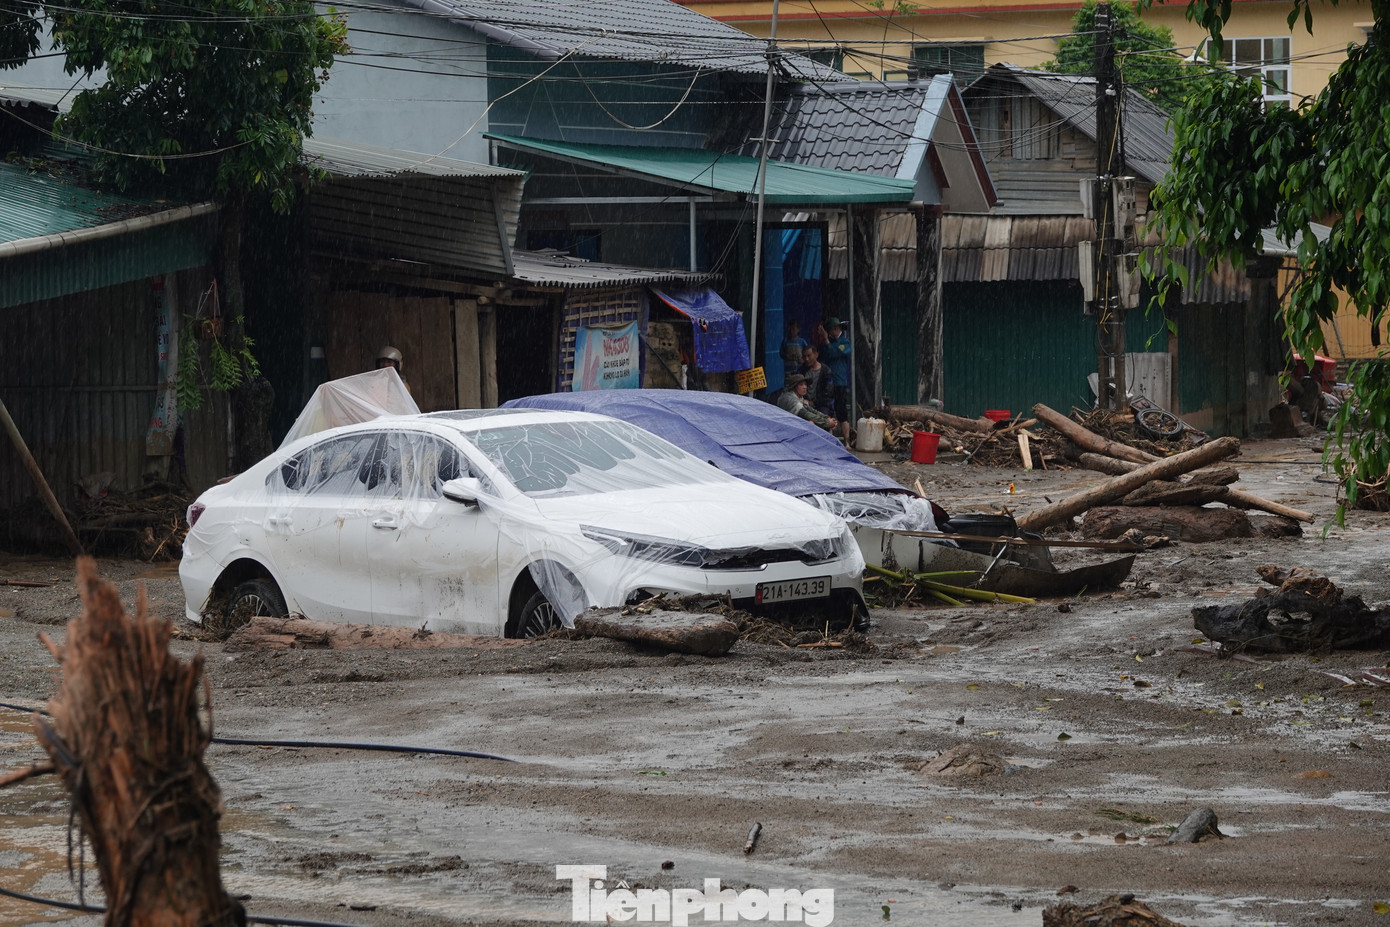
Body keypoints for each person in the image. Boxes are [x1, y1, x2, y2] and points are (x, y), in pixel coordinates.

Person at [822, 317, 852, 423]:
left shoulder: (845, 342)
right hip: (827, 381)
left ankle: (847, 438)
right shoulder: (825, 343)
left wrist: (827, 342)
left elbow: (835, 353)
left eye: (834, 328)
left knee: (842, 411)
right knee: (826, 410)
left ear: (838, 328)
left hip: (840, 381)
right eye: (830, 329)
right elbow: (825, 355)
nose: (832, 331)